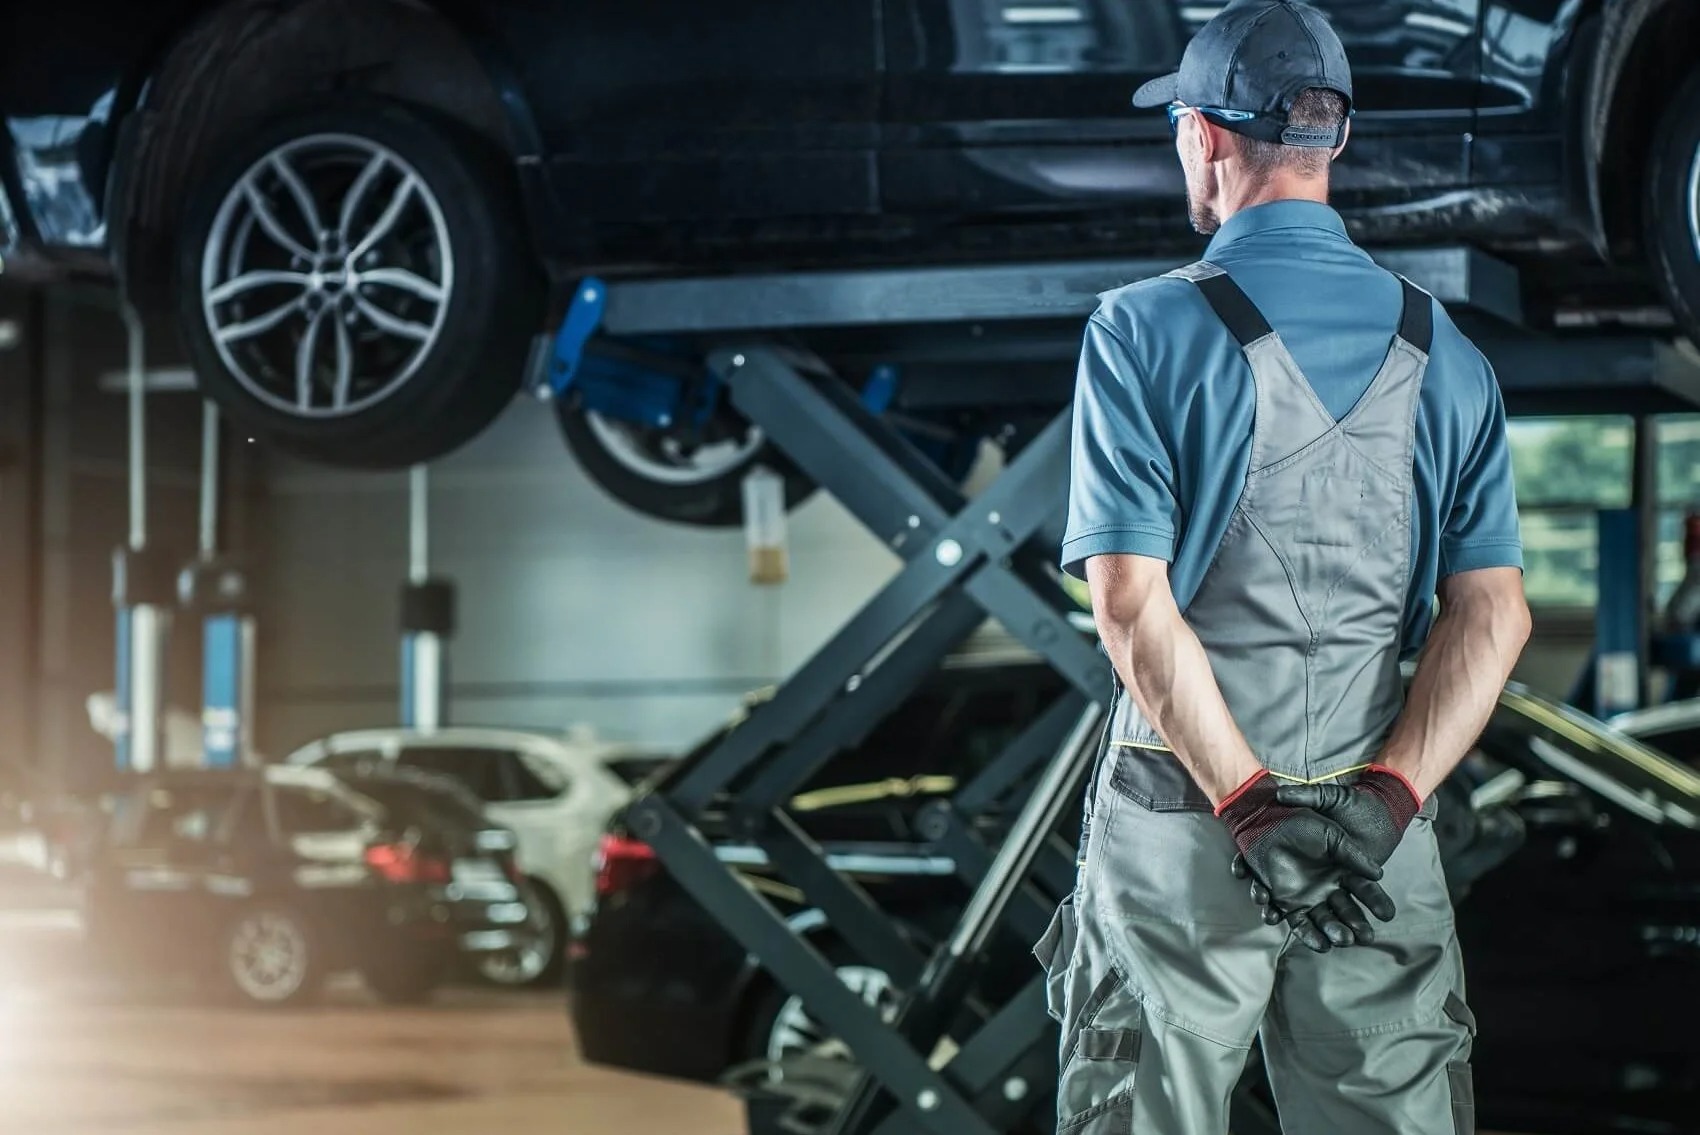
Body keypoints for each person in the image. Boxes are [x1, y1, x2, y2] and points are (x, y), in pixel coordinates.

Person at [1038, 2, 1532, 1132]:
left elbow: (1126, 598)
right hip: (1374, 833)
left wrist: (1249, 803)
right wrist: (1388, 797)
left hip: (1184, 819)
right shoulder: (1443, 350)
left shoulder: (1140, 331)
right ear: (1333, 139)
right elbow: (1492, 617)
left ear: (1203, 136)